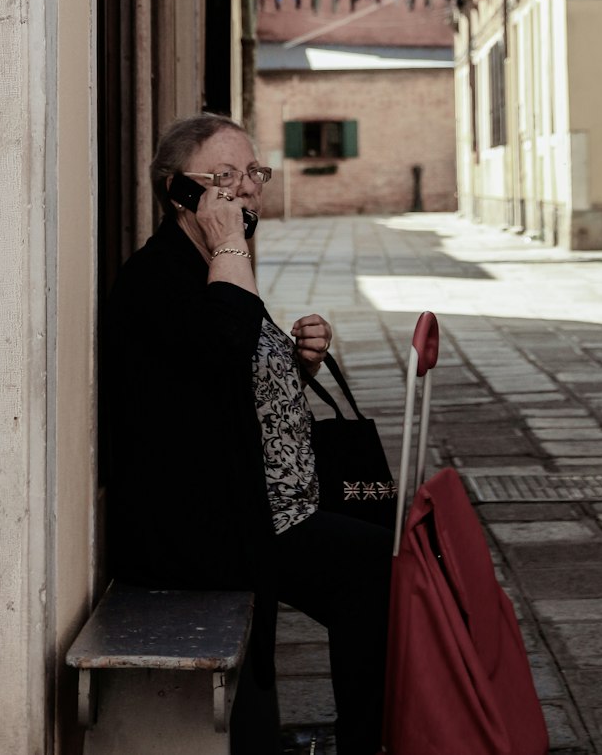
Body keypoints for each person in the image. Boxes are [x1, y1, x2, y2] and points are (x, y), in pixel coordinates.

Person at [104, 112, 393, 755]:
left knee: (380, 558)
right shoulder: (159, 276)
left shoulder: (209, 264)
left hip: (261, 510)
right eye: (225, 176)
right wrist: (231, 245)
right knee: (375, 569)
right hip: (207, 527)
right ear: (181, 190)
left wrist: (299, 360)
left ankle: (369, 736)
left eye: (253, 173)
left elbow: (225, 375)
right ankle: (364, 740)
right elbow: (219, 348)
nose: (246, 189)